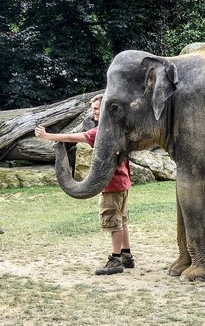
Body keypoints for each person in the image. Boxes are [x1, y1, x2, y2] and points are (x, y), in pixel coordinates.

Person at [34, 94, 134, 275]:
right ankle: (126, 255)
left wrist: (46, 135)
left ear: (105, 110)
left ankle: (116, 260)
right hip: (123, 182)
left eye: (96, 109)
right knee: (122, 220)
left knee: (113, 222)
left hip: (111, 185)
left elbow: (75, 137)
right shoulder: (119, 128)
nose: (93, 112)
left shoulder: (103, 132)